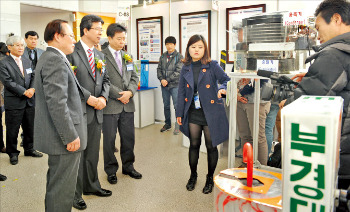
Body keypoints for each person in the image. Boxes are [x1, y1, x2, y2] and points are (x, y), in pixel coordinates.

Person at [279, 0, 350, 205]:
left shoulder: (334, 54)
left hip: (340, 153)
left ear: (336, 19)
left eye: (319, 28)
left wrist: (286, 103)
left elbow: (304, 100)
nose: (318, 35)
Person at [33, 19, 87, 212]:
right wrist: (70, 135)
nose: (74, 39)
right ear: (57, 36)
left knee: (58, 183)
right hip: (63, 138)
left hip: (59, 135)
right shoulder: (55, 59)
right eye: (71, 35)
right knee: (62, 189)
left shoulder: (52, 57)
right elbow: (57, 102)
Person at [67, 14, 111, 210]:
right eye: (98, 29)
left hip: (96, 112)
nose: (101, 33)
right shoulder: (71, 52)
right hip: (78, 112)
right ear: (85, 30)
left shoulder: (100, 55)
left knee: (93, 152)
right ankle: (75, 195)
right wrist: (88, 98)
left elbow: (106, 81)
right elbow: (69, 82)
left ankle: (92, 186)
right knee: (77, 155)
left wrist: (103, 98)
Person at [176, 34, 230, 194]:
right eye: (193, 47)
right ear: (188, 49)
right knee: (193, 145)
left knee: (211, 146)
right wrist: (179, 112)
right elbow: (181, 91)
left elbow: (226, 79)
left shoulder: (212, 65)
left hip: (211, 112)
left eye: (200, 47)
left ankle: (209, 178)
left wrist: (223, 88)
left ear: (205, 48)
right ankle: (193, 176)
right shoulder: (185, 66)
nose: (196, 50)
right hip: (193, 111)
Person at [102, 23, 141, 185]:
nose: (122, 41)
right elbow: (102, 80)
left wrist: (130, 92)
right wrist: (120, 95)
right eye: (119, 38)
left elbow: (134, 77)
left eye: (124, 38)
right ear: (109, 38)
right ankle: (111, 170)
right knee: (109, 140)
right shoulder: (100, 56)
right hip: (111, 105)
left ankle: (128, 166)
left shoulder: (128, 56)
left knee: (128, 138)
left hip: (128, 104)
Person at [0, 36, 42, 165]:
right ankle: (13, 153)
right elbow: (7, 82)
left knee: (30, 127)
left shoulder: (27, 60)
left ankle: (29, 149)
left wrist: (33, 88)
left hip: (30, 100)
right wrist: (24, 91)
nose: (20, 48)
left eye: (22, 45)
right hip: (14, 101)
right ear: (9, 47)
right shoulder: (3, 62)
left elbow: (34, 75)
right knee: (13, 129)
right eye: (17, 45)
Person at [236, 78, 271, 166]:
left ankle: (262, 170)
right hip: (241, 100)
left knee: (258, 137)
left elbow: (262, 78)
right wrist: (235, 93)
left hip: (257, 101)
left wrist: (240, 92)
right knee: (245, 136)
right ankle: (246, 165)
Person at [157, 36, 183, 134]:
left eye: (171, 44)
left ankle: (178, 125)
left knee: (177, 106)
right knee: (166, 106)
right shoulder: (163, 56)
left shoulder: (179, 57)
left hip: (175, 85)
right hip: (164, 86)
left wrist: (166, 80)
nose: (169, 46)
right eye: (167, 44)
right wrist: (161, 79)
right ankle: (167, 124)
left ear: (175, 45)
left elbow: (178, 71)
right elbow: (158, 69)